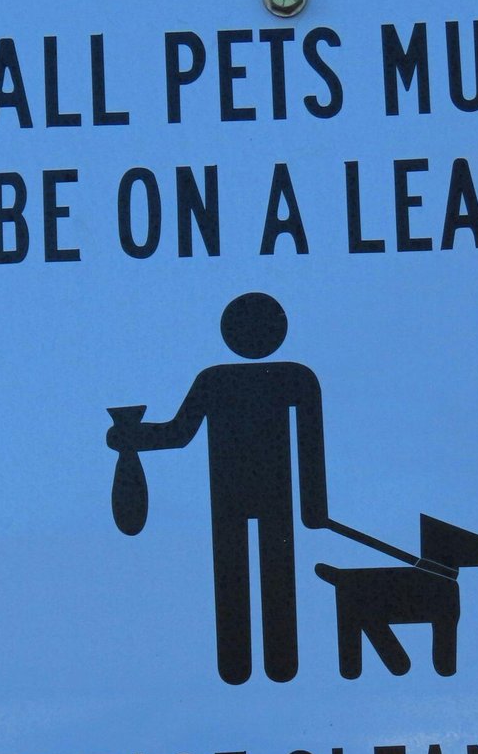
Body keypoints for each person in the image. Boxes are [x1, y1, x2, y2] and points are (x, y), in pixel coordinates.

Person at [109, 292, 328, 684]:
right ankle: (242, 665)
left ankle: (275, 665)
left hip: (255, 495)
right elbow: (179, 433)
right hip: (234, 496)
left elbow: (310, 443)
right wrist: (133, 438)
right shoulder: (243, 378)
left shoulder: (287, 378)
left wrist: (314, 508)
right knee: (236, 574)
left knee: (269, 572)